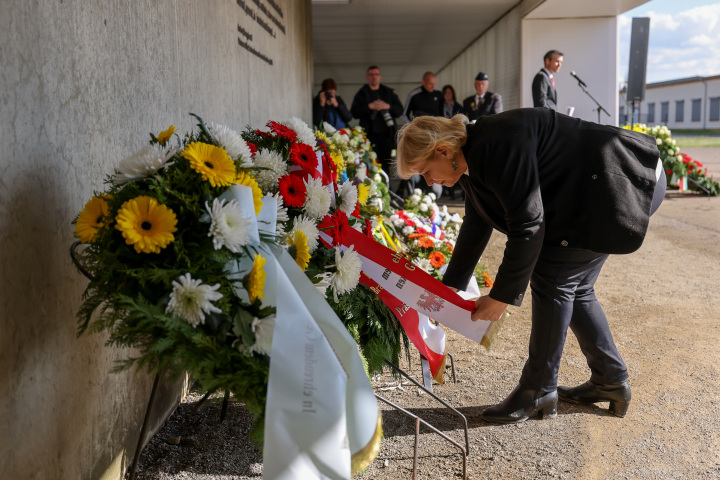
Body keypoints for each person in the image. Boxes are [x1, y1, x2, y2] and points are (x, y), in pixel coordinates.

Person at [394, 110, 665, 424]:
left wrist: (501, 297)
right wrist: (449, 287)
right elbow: (477, 220)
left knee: (553, 279)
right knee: (572, 286)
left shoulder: (494, 146)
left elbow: (528, 225)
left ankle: (539, 389)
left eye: (426, 172)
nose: (429, 183)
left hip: (624, 178)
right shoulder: (467, 154)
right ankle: (610, 380)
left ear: (442, 151)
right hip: (596, 183)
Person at [350, 65, 404, 173]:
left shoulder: (388, 92)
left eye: (376, 74)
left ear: (380, 77)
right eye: (371, 75)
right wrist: (369, 107)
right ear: (367, 77)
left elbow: (400, 110)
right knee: (369, 163)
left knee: (386, 163)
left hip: (386, 135)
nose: (374, 77)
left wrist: (387, 106)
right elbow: (354, 112)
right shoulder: (362, 93)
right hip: (369, 135)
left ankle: (385, 186)